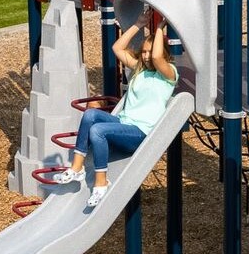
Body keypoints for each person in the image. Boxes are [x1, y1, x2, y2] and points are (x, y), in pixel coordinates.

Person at [48, 13, 178, 209]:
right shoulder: (139, 70)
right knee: (90, 114)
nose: (146, 56)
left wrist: (159, 27)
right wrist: (138, 23)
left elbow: (158, 57)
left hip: (141, 133)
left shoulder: (169, 75)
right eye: (143, 52)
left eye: (149, 52)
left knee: (98, 130)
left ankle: (101, 182)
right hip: (123, 125)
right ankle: (77, 168)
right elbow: (117, 48)